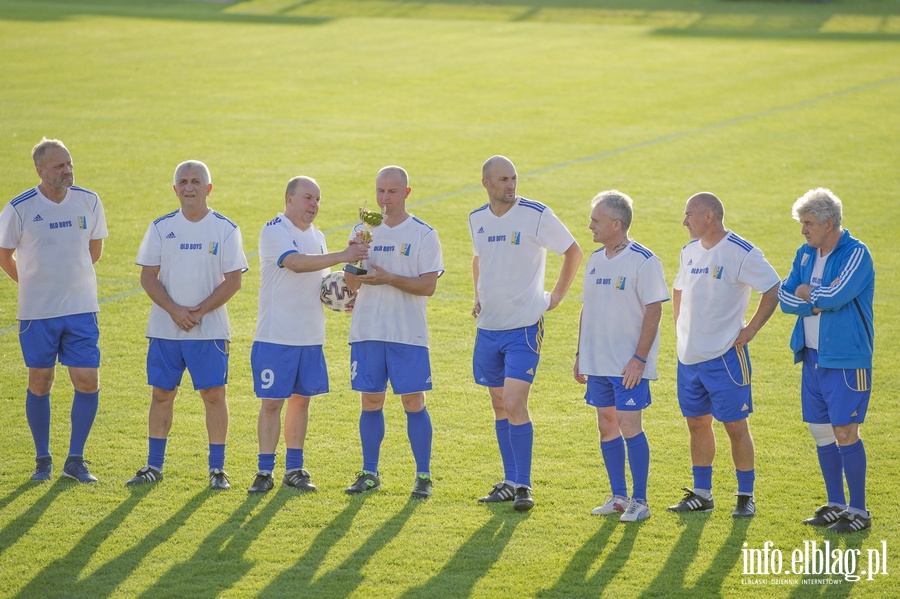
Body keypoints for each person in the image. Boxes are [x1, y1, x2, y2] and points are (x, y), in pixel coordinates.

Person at [470, 155, 583, 512]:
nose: (511, 185)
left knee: (515, 402)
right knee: (499, 405)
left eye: (514, 178)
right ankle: (508, 480)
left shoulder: (536, 213)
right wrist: (478, 296)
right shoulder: (477, 219)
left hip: (523, 327)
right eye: (503, 179)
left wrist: (558, 296)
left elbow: (573, 251)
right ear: (486, 183)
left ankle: (523, 485)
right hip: (489, 328)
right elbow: (479, 258)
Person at [127, 160, 248, 490]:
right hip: (166, 330)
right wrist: (174, 310)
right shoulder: (161, 227)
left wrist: (198, 312)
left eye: (196, 181)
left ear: (208, 188)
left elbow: (233, 281)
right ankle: (154, 466)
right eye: (183, 181)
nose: (189, 187)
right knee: (162, 394)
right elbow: (147, 276)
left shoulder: (225, 229)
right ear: (175, 188)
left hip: (208, 331)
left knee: (213, 395)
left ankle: (217, 470)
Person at [247, 176, 368, 494]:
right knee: (272, 403)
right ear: (289, 199)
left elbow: (326, 287)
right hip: (276, 336)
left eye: (317, 199)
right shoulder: (274, 229)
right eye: (307, 198)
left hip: (310, 336)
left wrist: (351, 283)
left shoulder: (318, 236)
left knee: (302, 402)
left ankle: (295, 469)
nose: (313, 205)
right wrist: (343, 255)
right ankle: (264, 471)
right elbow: (296, 264)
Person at [0, 138, 108, 483]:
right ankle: (42, 459)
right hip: (38, 314)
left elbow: (95, 248)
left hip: (80, 309)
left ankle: (75, 460)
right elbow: (4, 255)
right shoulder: (20, 208)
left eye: (69, 163)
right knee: (40, 381)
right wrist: (31, 283)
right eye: (59, 166)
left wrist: (68, 280)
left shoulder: (89, 201)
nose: (67, 170)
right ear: (41, 171)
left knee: (87, 381)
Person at [668, 192, 780, 518]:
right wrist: (680, 327)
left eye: (689, 215)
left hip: (726, 358)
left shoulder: (740, 252)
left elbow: (772, 288)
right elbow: (678, 288)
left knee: (735, 426)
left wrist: (751, 330)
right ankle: (702, 493)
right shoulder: (688, 251)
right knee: (697, 424)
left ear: (709, 217)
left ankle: (746, 494)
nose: (684, 221)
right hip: (689, 357)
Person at [342, 166, 443, 499]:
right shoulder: (363, 231)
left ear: (406, 193)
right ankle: (370, 473)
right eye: (380, 191)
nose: (385, 199)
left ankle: (424, 476)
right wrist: (353, 258)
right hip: (368, 330)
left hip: (407, 334)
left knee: (413, 401)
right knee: (370, 401)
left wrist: (390, 278)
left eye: (392, 192)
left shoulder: (424, 234)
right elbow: (351, 284)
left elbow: (428, 286)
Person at [778, 188, 875, 533]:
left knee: (845, 431)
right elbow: (785, 296)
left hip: (847, 359)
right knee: (821, 431)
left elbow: (836, 296)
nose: (803, 230)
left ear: (828, 223)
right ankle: (835, 504)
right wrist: (811, 298)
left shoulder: (856, 253)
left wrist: (810, 294)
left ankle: (859, 511)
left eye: (807, 223)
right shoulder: (805, 254)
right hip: (813, 356)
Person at [574, 191, 668, 523]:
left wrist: (639, 359)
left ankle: (640, 501)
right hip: (597, 361)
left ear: (616, 224)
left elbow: (654, 311)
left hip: (628, 365)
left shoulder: (644, 260)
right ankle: (618, 497)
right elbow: (588, 308)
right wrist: (579, 354)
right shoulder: (596, 259)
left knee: (630, 426)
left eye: (596, 221)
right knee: (606, 425)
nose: (590, 227)